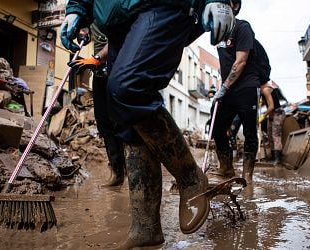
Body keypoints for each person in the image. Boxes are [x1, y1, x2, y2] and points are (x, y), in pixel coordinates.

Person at [60, 0, 234, 248]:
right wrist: (77, 9)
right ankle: (145, 227)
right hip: (116, 18)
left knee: (127, 88)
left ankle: (191, 178)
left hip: (160, 5)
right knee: (123, 114)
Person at [69, 24, 126, 187]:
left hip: (119, 70)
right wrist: (84, 32)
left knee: (123, 123)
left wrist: (97, 58)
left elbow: (119, 38)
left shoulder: (112, 9)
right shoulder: (92, 11)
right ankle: (117, 172)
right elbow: (88, 29)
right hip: (100, 74)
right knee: (103, 122)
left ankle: (135, 172)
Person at [211, 0, 260, 184]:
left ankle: (247, 176)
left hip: (246, 86)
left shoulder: (243, 27)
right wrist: (222, 88)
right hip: (228, 89)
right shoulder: (219, 31)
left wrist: (224, 87)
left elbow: (240, 62)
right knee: (217, 126)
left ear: (235, 6)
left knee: (249, 131)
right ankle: (226, 168)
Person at [259, 80, 288, 165]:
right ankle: (272, 157)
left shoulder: (266, 89)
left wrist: (263, 116)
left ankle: (277, 159)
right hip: (272, 115)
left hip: (277, 113)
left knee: (275, 135)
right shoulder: (262, 91)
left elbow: (271, 106)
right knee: (270, 135)